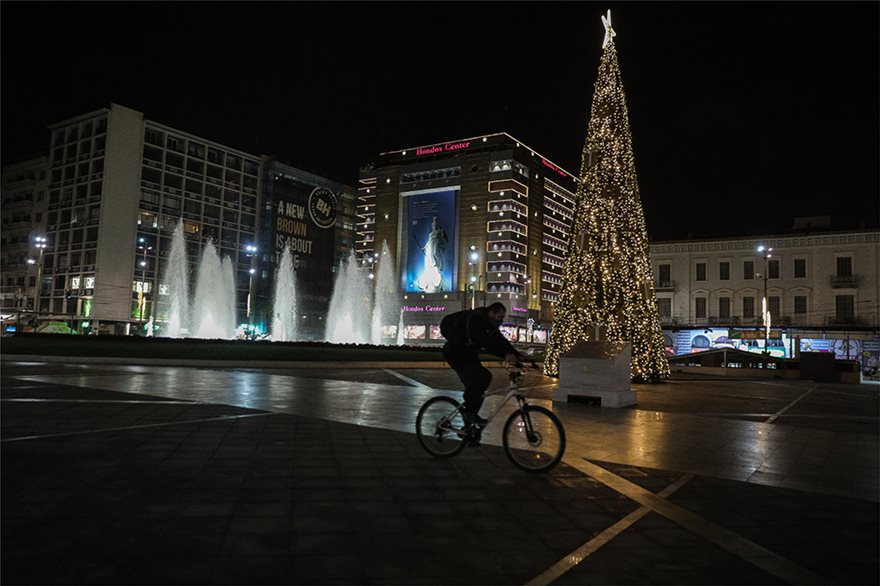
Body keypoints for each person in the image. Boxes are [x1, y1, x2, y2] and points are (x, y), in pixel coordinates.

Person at [440, 302, 523, 438]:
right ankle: (469, 416)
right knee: (481, 379)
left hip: (468, 353)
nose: (501, 321)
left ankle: (469, 426)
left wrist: (517, 354)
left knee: (480, 386)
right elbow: (486, 343)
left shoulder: (489, 324)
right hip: (456, 354)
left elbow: (500, 340)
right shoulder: (477, 319)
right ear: (491, 313)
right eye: (500, 317)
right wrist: (506, 355)